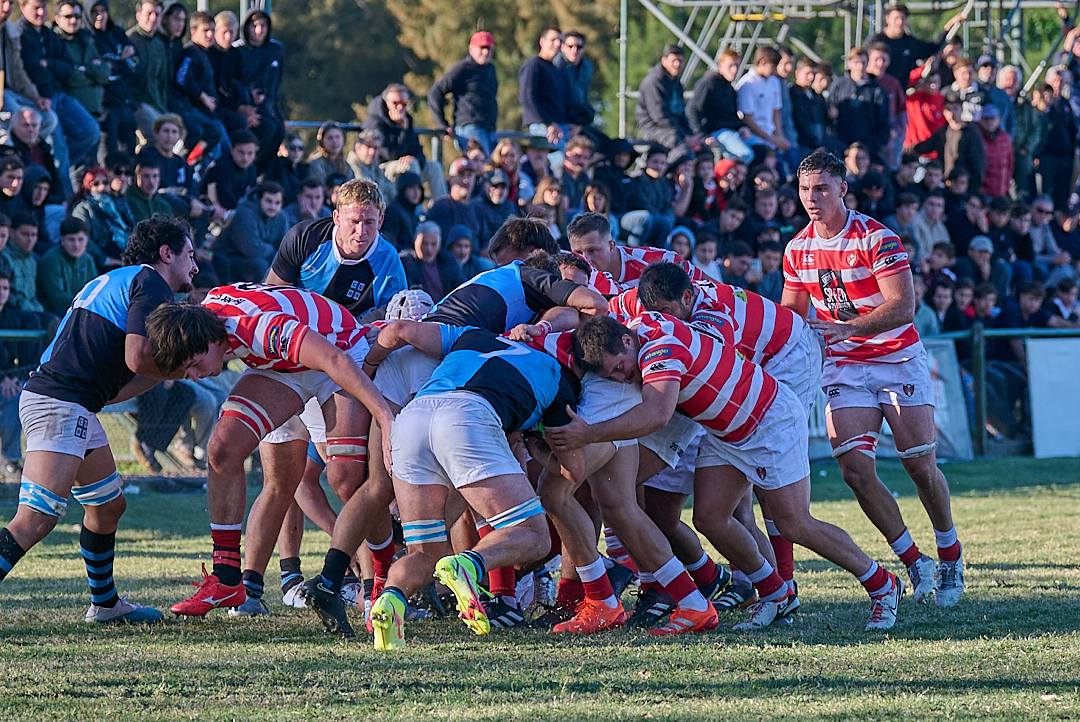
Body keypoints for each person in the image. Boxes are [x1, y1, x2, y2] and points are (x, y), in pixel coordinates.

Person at [552, 311, 903, 632]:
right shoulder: (637, 325)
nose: (623, 376)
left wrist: (590, 433)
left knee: (795, 523)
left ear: (628, 340)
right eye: (612, 375)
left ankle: (882, 583)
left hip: (769, 421)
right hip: (726, 432)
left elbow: (656, 415)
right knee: (709, 519)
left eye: (618, 367)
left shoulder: (659, 349)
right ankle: (775, 593)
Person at [781, 149, 964, 610]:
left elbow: (904, 307)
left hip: (896, 359)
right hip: (845, 366)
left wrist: (848, 328)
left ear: (843, 188)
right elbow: (792, 318)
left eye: (821, 188)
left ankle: (950, 555)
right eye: (805, 189)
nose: (812, 198)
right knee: (855, 470)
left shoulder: (877, 238)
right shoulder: (797, 248)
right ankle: (914, 559)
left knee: (920, 465)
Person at [153, 285, 396, 619]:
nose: (195, 376)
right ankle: (228, 579)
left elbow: (332, 359)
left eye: (195, 364)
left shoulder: (259, 328)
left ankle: (379, 584)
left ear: (210, 340)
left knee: (347, 480)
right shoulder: (203, 320)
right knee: (223, 448)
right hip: (282, 367)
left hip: (337, 354)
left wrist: (385, 416)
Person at [0, 215, 198, 623]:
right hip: (60, 403)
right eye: (190, 255)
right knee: (34, 520)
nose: (194, 266)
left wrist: (173, 370)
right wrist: (185, 367)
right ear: (166, 254)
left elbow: (125, 380)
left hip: (72, 403)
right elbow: (138, 358)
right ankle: (104, 604)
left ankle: (105, 605)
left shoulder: (121, 279)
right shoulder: (151, 282)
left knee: (109, 506)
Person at [16, 0, 100, 175]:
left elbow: (67, 68)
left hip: (58, 95)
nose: (41, 12)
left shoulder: (48, 34)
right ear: (23, 8)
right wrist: (48, 69)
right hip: (37, 100)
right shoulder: (20, 34)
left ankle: (54, 171)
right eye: (36, 8)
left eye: (44, 7)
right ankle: (62, 194)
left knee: (90, 131)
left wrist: (49, 64)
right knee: (58, 148)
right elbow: (33, 70)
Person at [363, 84, 446, 200]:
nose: (400, 107)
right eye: (395, 103)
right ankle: (415, 210)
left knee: (434, 167)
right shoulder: (375, 122)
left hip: (408, 166)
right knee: (411, 165)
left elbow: (418, 150)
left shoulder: (407, 120)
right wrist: (402, 130)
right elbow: (389, 154)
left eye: (404, 103)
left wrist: (416, 158)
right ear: (386, 103)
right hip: (383, 168)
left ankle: (443, 208)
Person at [51, 1, 111, 157]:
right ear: (57, 19)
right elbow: (69, 77)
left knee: (93, 165)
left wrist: (86, 70)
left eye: (77, 16)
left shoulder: (87, 40)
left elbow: (104, 74)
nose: (73, 21)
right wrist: (91, 72)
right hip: (73, 112)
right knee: (77, 166)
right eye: (68, 16)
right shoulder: (55, 42)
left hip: (95, 110)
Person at [427, 31, 498, 155]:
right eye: (481, 48)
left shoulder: (491, 69)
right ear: (471, 49)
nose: (485, 52)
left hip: (489, 128)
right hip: (470, 127)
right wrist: (442, 124)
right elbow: (435, 92)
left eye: (488, 48)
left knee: (492, 169)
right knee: (481, 166)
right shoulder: (463, 69)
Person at [868, 3, 966, 87]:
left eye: (903, 18)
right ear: (888, 19)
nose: (900, 22)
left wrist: (950, 25)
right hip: (877, 90)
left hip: (900, 95)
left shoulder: (910, 42)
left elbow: (932, 47)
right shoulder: (876, 41)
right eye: (896, 18)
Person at [213, 181, 286, 283]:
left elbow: (284, 247)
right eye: (269, 201)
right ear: (259, 199)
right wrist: (271, 249)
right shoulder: (244, 213)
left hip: (261, 257)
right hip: (229, 259)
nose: (273, 207)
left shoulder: (281, 217)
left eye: (277, 203)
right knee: (260, 265)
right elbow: (250, 249)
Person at [636, 45, 701, 153]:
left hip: (675, 128)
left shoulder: (677, 83)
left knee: (702, 149)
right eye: (674, 60)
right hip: (654, 127)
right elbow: (660, 117)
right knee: (680, 147)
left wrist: (691, 136)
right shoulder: (654, 82)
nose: (677, 64)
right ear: (664, 61)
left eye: (680, 60)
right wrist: (685, 138)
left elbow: (681, 115)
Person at [829, 47, 890, 156]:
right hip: (840, 145)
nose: (860, 66)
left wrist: (875, 147)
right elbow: (829, 112)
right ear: (849, 63)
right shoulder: (838, 86)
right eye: (856, 62)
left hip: (867, 148)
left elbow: (883, 122)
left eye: (863, 62)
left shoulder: (876, 90)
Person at [70, 167, 132, 272]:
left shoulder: (115, 205)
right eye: (96, 184)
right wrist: (104, 259)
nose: (102, 187)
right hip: (100, 263)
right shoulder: (83, 208)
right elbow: (83, 239)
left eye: (105, 182)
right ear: (87, 187)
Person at [126, 0, 169, 141]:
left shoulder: (159, 45)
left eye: (157, 14)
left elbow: (162, 80)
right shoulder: (129, 40)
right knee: (161, 138)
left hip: (157, 105)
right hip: (138, 105)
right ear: (138, 16)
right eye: (149, 13)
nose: (153, 18)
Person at [735, 47, 789, 159]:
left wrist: (779, 137)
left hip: (771, 138)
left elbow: (776, 111)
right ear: (762, 63)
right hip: (754, 139)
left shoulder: (774, 81)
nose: (775, 70)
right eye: (773, 67)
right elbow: (747, 118)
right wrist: (772, 139)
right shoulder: (747, 84)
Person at [519, 28, 569, 148]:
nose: (557, 44)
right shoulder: (533, 66)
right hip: (542, 127)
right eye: (553, 40)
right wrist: (547, 123)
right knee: (555, 162)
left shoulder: (557, 69)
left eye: (560, 41)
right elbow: (527, 97)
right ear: (542, 42)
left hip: (559, 126)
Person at [37, 217, 96, 314]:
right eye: (71, 240)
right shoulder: (51, 259)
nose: (76, 245)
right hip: (54, 312)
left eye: (80, 239)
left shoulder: (87, 260)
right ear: (62, 240)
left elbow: (94, 291)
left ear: (87, 240)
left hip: (81, 308)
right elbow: (57, 299)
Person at [9, 107, 64, 203]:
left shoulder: (44, 148)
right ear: (14, 128)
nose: (30, 130)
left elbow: (55, 177)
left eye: (34, 125)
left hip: (49, 200)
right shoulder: (9, 151)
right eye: (25, 125)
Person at [399, 221, 463, 300]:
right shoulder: (404, 262)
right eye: (424, 244)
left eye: (434, 244)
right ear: (414, 241)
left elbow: (459, 289)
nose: (429, 249)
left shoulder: (448, 261)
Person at [425, 158, 479, 243]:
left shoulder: (478, 208)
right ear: (451, 179)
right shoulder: (441, 208)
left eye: (469, 175)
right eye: (461, 175)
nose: (466, 181)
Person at [202, 129, 257, 211]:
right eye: (241, 152)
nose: (245, 158)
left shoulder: (251, 169)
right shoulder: (221, 167)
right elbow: (225, 200)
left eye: (250, 153)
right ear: (232, 150)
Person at [789, 58, 828, 156]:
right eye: (808, 73)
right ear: (797, 73)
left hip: (818, 144)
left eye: (814, 74)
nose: (811, 77)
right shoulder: (791, 94)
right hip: (800, 145)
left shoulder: (818, 97)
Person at [471, 169, 516, 249]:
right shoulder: (475, 206)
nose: (499, 191)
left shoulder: (510, 208)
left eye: (503, 187)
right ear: (485, 185)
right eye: (494, 186)